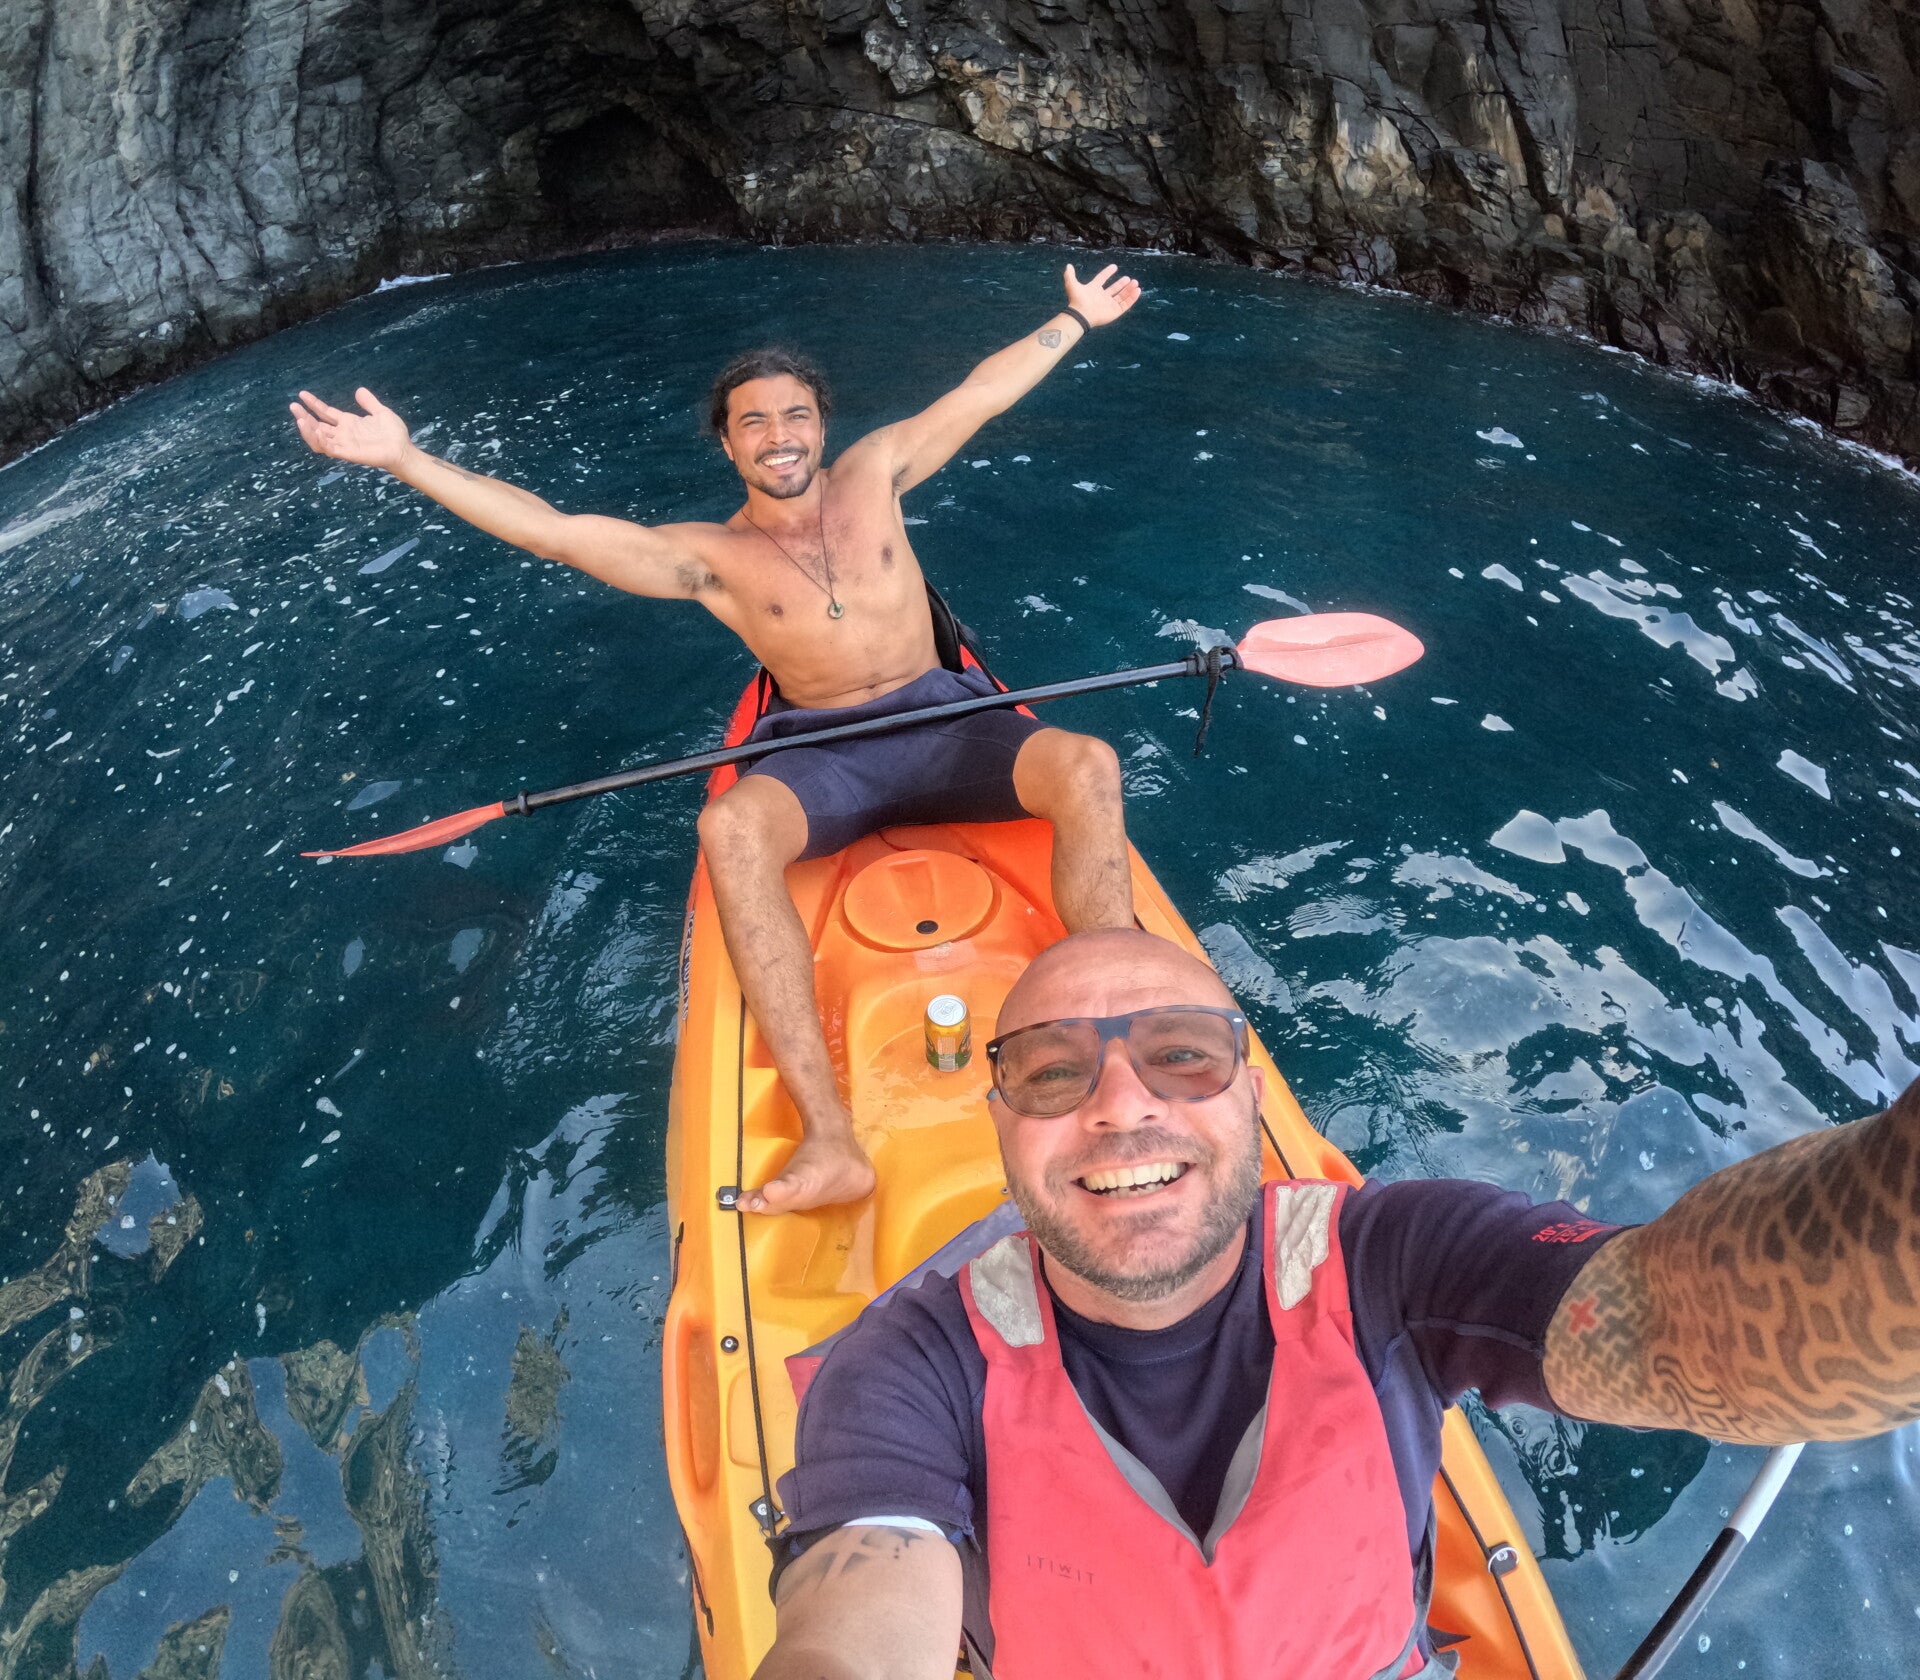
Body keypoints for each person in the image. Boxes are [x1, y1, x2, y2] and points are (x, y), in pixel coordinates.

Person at [758, 926, 1920, 1679]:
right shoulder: (907, 1368)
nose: (1121, 1104)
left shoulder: (1396, 1259)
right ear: (1002, 1126)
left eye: (1182, 1056)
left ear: (1250, 1101)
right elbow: (851, 1622)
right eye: (1054, 1072)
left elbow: (1690, 1334)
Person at [289, 264, 1145, 1214]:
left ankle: (1124, 1017)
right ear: (727, 445)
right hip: (824, 753)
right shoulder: (710, 558)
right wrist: (407, 459)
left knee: (1087, 762)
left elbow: (980, 392)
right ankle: (831, 1140)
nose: (779, 437)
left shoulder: (879, 470)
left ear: (822, 425)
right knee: (732, 831)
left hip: (947, 720)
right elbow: (555, 532)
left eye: (794, 417)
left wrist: (1074, 317)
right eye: (754, 422)